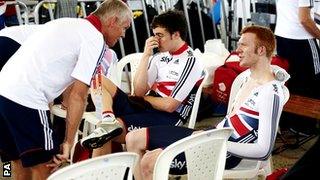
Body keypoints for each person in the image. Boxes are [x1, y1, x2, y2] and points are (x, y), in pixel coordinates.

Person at [125, 25, 288, 180]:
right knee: (133, 138)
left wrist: (215, 140)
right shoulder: (249, 76)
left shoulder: (270, 92)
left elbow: (264, 150)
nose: (237, 50)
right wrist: (208, 136)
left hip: (221, 148)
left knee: (149, 162)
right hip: (211, 135)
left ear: (260, 50)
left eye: (244, 45)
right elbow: (277, 72)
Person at [0, 0, 132, 179]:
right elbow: (78, 96)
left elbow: (66, 84)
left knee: (17, 159)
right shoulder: (94, 39)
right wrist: (68, 141)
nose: (123, 35)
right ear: (113, 21)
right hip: (26, 96)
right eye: (124, 28)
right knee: (47, 165)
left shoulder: (66, 23)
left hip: (4, 89)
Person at [80, 10, 204, 156]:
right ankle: (108, 119)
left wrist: (143, 99)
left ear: (176, 34)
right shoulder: (158, 57)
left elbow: (169, 106)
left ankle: (104, 169)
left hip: (166, 118)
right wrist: (146, 56)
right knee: (98, 79)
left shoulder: (191, 61)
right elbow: (138, 91)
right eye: (154, 35)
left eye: (160, 35)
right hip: (143, 107)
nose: (156, 40)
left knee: (106, 133)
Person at [275, 0, 320, 135]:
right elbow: (304, 19)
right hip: (302, 38)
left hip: (283, 36)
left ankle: (290, 123)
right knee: (313, 81)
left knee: (290, 80)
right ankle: (305, 127)